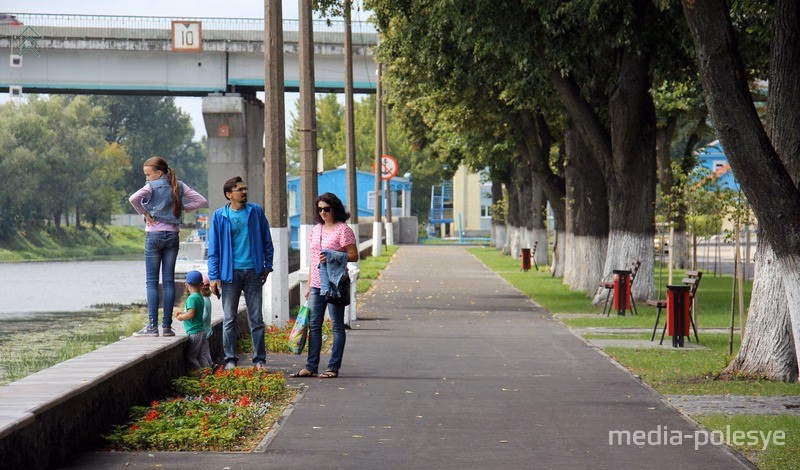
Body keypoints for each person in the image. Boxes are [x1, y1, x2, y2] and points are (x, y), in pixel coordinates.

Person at [129, 156, 208, 337]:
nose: (147, 178)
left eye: (148, 174)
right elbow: (202, 201)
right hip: (172, 236)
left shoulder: (151, 187)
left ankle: (152, 327)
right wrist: (183, 208)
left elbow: (133, 199)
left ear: (159, 172)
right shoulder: (179, 185)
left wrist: (145, 212)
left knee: (151, 281)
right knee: (169, 281)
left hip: (154, 236)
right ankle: (166, 327)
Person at [207, 176, 274, 371]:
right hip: (230, 274)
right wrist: (213, 276)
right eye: (239, 189)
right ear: (229, 195)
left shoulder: (256, 212)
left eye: (245, 189)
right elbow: (214, 249)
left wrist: (267, 266)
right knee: (229, 319)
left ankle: (259, 359)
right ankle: (229, 359)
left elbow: (267, 241)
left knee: (256, 319)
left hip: (253, 271)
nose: (244, 192)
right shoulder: (220, 216)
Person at [290, 193, 358, 379]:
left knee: (336, 326)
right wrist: (309, 285)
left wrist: (332, 255)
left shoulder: (343, 229)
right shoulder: (316, 229)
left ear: (335, 208)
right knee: (314, 326)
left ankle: (333, 367)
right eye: (319, 209)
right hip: (316, 285)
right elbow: (314, 260)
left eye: (326, 209)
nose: (323, 213)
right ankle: (311, 366)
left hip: (335, 283)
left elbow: (353, 255)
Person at [176, 270, 213, 371]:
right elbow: (195, 312)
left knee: (191, 357)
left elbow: (191, 314)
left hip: (194, 331)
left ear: (186, 285)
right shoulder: (200, 297)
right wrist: (183, 313)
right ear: (201, 284)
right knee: (201, 356)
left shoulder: (191, 298)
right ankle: (208, 373)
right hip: (201, 330)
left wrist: (181, 317)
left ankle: (199, 374)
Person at [200, 273, 213, 340]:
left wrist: (197, 322)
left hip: (203, 330)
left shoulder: (203, 300)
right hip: (207, 329)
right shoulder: (207, 299)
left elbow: (205, 315)